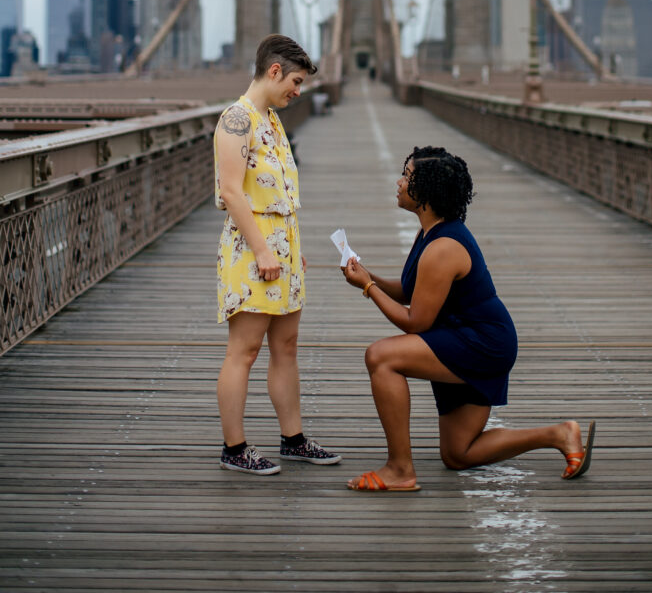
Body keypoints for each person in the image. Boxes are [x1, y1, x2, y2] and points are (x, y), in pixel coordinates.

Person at [341, 145, 595, 492]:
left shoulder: (444, 247)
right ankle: (558, 434)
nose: (399, 182)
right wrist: (369, 275)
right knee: (458, 454)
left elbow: (416, 322)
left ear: (426, 192)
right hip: (462, 337)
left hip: (482, 343)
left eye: (407, 177)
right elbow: (412, 289)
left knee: (381, 357)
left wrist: (368, 287)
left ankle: (400, 469)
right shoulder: (431, 231)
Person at [214, 34, 341, 474]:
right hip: (254, 251)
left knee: (286, 347)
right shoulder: (236, 119)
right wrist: (266, 250)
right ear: (274, 72)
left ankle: (294, 439)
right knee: (244, 351)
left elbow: (279, 193)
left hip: (282, 250)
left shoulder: (271, 119)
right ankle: (235, 448)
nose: (298, 91)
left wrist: (290, 251)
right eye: (296, 82)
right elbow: (232, 192)